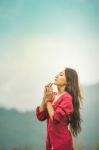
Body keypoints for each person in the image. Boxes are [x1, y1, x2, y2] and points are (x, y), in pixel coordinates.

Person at [36, 67, 82, 150]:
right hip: (50, 144)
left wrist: (48, 102)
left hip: (62, 144)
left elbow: (56, 118)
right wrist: (45, 97)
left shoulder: (67, 98)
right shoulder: (53, 96)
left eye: (61, 75)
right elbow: (41, 116)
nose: (56, 76)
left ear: (68, 81)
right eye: (58, 74)